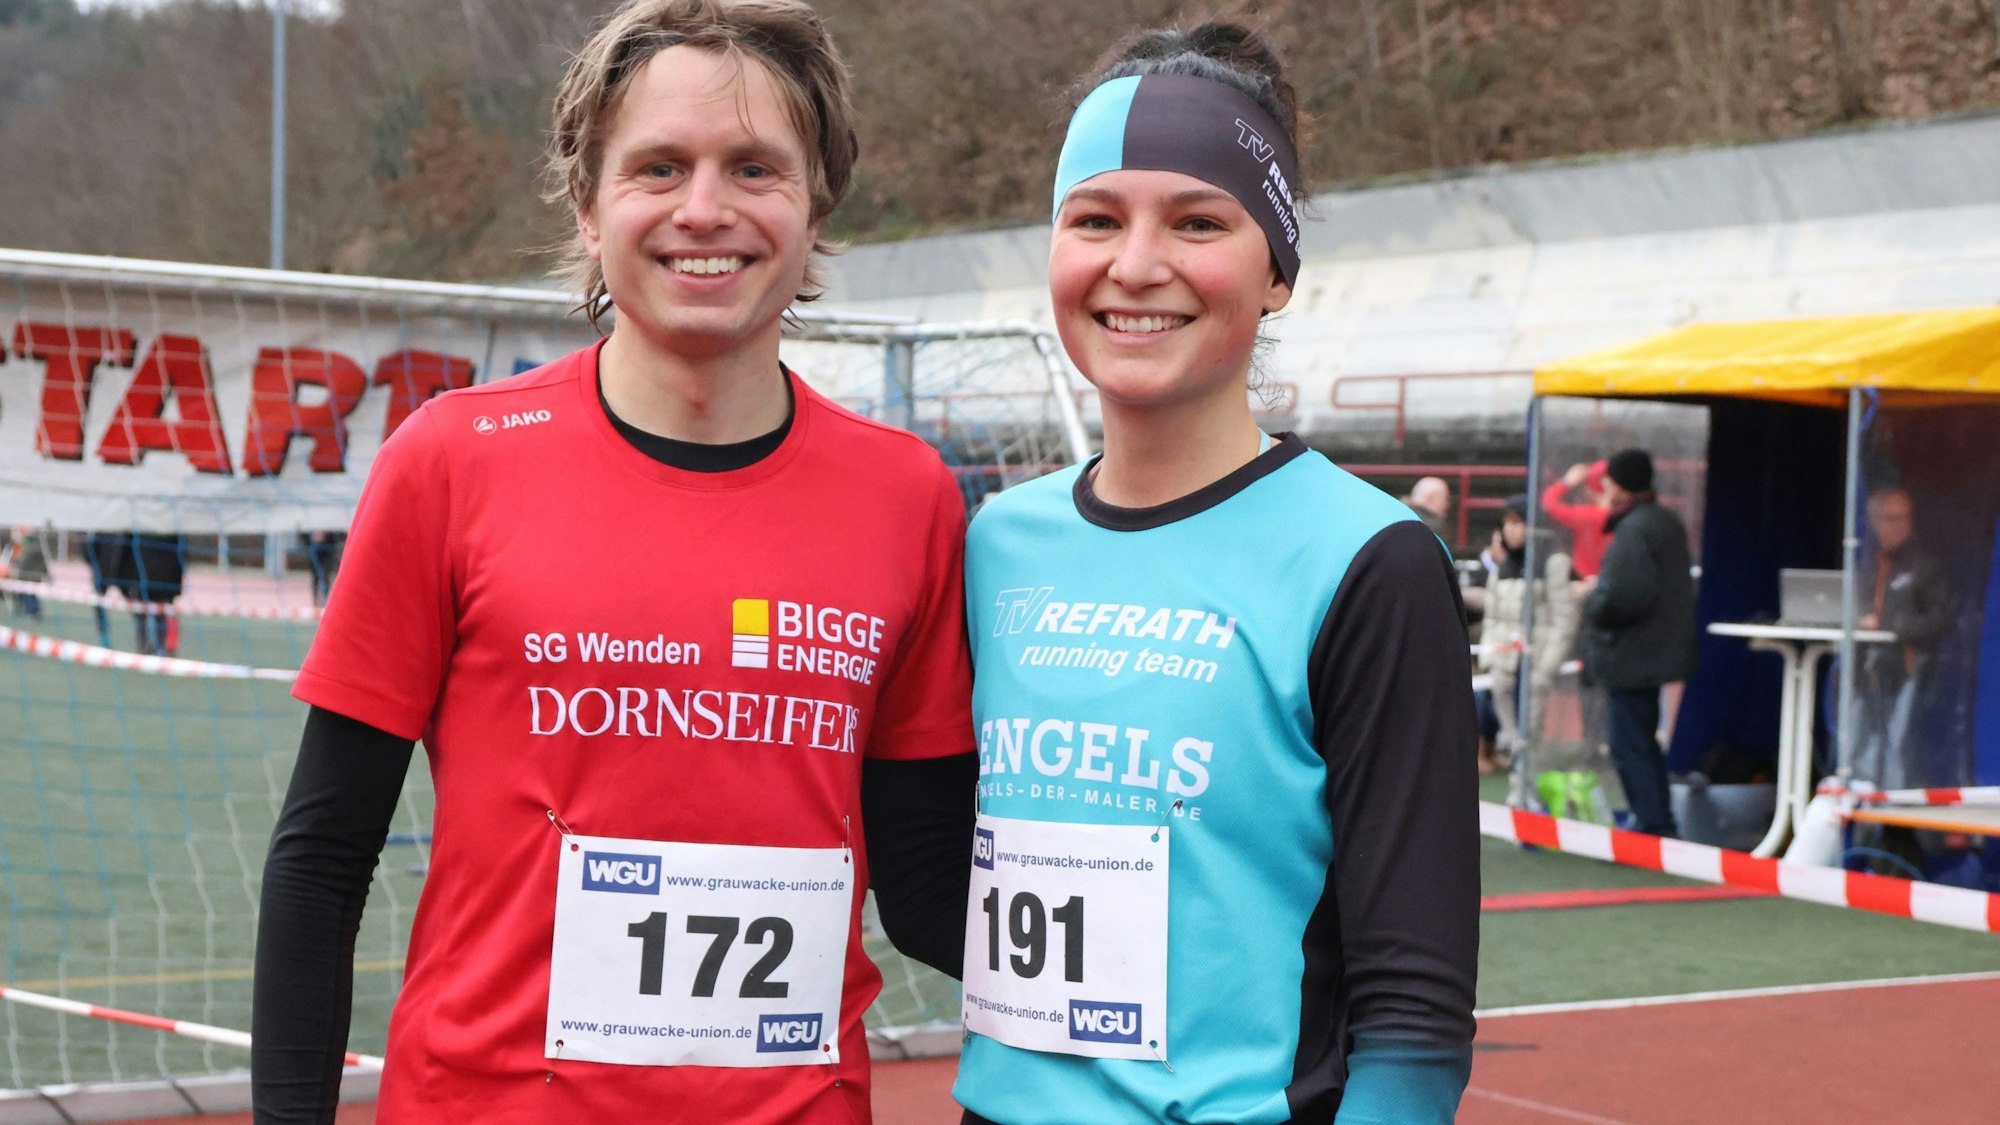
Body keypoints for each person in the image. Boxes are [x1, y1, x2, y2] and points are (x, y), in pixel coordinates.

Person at [252, 3, 976, 1122]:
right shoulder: (449, 462)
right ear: (588, 208)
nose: (704, 209)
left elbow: (932, 894)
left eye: (753, 168)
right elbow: (322, 858)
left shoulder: (908, 497)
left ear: (812, 202)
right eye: (657, 167)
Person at [953, 24, 1477, 1125]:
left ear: (1275, 271)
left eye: (1197, 223)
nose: (1134, 264)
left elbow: (1414, 1013)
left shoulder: (1367, 560)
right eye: (1094, 219)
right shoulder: (996, 541)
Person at [1580, 448, 1695, 837]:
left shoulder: (1636, 528)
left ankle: (1652, 827)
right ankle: (1656, 821)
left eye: (1610, 479)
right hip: (1653, 653)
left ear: (1623, 484)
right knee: (1643, 742)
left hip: (1635, 656)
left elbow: (1625, 596)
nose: (1605, 486)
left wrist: (1592, 599)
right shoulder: (1662, 522)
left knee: (1632, 745)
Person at [1850, 486, 1953, 789]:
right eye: (1887, 518)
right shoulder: (1869, 563)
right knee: (1859, 743)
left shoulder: (1925, 565)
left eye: (1902, 518)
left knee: (1898, 745)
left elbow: (1940, 619)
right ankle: (1864, 815)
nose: (1895, 526)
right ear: (1872, 521)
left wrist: (1889, 626)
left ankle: (1896, 826)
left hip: (1908, 669)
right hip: (1866, 668)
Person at [1542, 460, 1611, 577]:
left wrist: (1566, 482)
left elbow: (1549, 504)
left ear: (1589, 489)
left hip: (1585, 580)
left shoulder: (1587, 515)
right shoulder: (1629, 515)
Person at [4, 525, 50, 620]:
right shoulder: (26, 546)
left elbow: (18, 561)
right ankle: (31, 610)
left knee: (29, 594)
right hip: (28, 575)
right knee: (28, 594)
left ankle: (33, 611)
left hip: (28, 575)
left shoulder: (27, 546)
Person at [1406, 474, 1453, 543]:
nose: (1447, 505)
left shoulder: (1401, 515)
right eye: (1445, 499)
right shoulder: (1434, 528)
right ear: (1431, 498)